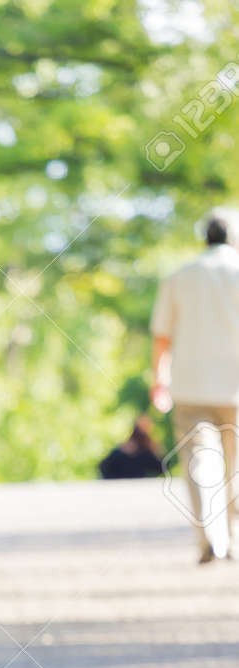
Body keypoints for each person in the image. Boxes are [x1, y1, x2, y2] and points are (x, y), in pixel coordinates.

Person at [150, 209, 239, 562]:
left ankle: (209, 538)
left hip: (190, 385)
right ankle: (234, 538)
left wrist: (160, 379)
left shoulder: (179, 276)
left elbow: (162, 336)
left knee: (199, 461)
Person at [98, 414, 165, 480]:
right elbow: (103, 467)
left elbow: (161, 467)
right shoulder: (118, 453)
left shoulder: (145, 454)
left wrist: (156, 449)